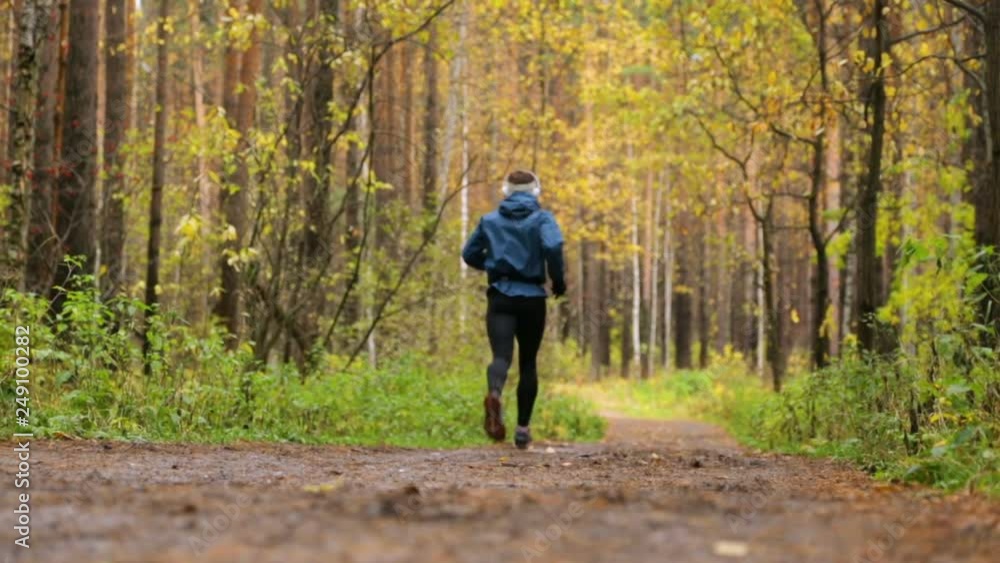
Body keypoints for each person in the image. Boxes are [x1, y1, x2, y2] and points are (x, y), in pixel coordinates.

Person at [461, 170, 566, 449]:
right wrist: (558, 280)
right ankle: (522, 429)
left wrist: (495, 265)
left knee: (501, 357)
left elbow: (469, 254)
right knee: (528, 362)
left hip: (501, 297)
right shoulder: (543, 218)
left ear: (506, 191)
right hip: (532, 298)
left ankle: (494, 393)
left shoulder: (490, 220)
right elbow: (554, 245)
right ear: (535, 191)